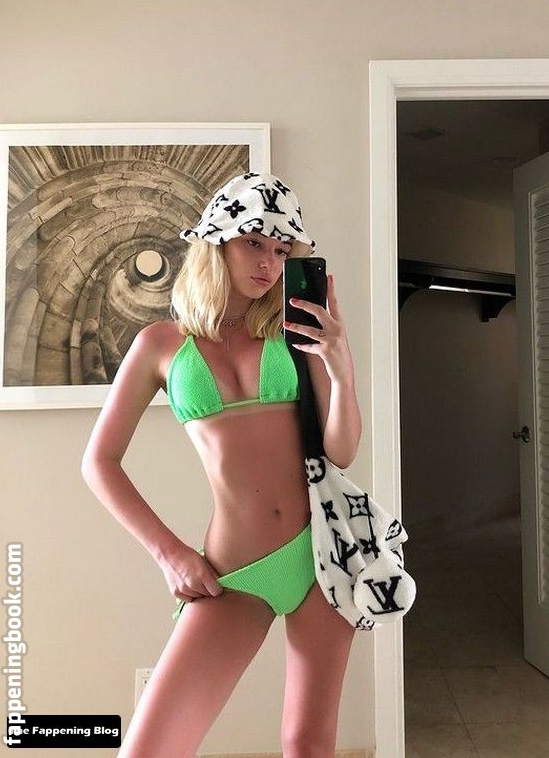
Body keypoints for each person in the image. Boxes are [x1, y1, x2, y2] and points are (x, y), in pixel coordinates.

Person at [81, 172, 362, 758]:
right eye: (254, 242)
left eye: (281, 250)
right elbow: (100, 462)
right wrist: (169, 553)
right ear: (216, 243)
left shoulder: (295, 335)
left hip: (321, 555)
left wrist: (340, 365)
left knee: (308, 744)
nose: (268, 263)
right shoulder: (161, 344)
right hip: (233, 572)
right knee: (149, 749)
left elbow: (341, 451)